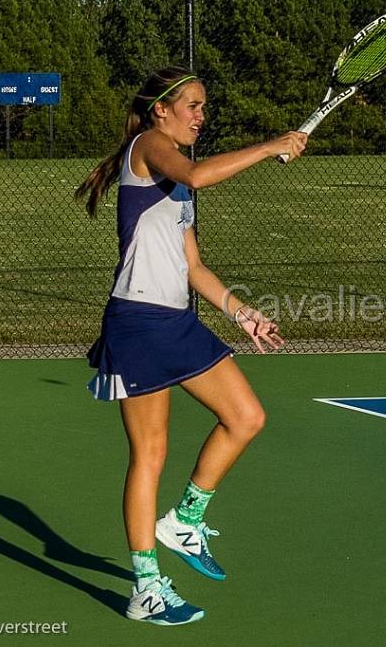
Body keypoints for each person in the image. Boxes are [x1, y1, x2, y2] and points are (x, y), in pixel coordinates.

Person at [74, 67, 307, 626]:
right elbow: (202, 176)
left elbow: (192, 265)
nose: (202, 115)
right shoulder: (151, 146)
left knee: (246, 416)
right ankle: (146, 587)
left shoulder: (175, 181)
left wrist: (240, 313)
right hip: (137, 322)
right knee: (149, 456)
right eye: (193, 105)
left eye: (205, 106)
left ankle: (184, 520)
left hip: (174, 320)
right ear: (161, 109)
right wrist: (271, 145)